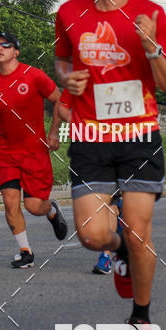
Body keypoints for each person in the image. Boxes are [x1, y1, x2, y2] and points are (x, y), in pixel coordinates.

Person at [55, 0, 166, 330]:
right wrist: (67, 79)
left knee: (139, 231)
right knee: (92, 236)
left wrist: (151, 46)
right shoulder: (69, 13)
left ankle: (140, 317)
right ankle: (119, 248)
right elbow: (62, 61)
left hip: (138, 137)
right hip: (90, 138)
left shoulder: (151, 14)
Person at [0, 31, 67, 268]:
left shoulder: (33, 75)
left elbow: (59, 100)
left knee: (34, 206)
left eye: (6, 45)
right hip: (6, 154)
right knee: (10, 201)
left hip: (34, 152)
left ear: (16, 51)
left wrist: (54, 132)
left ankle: (51, 210)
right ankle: (25, 251)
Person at [57, 88, 114, 275]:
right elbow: (62, 106)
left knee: (109, 203)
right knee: (87, 230)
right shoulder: (78, 77)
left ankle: (106, 256)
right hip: (83, 149)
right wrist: (76, 121)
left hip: (113, 146)